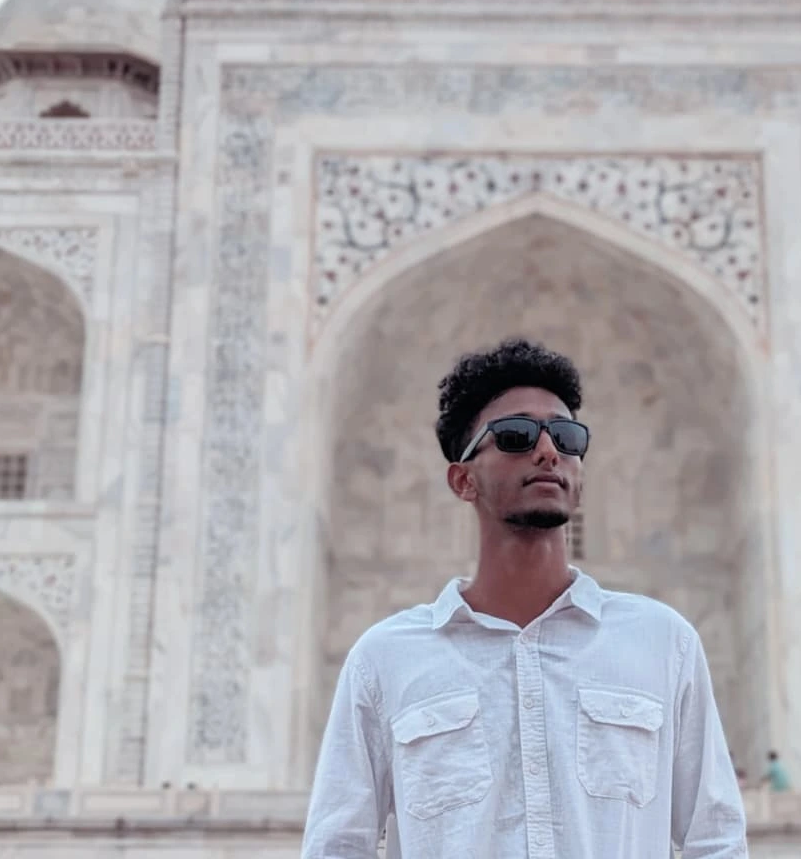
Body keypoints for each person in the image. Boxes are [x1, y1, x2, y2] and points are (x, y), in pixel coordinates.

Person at [302, 338, 748, 858]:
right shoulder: (388, 660)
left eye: (565, 435)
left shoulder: (660, 644)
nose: (547, 450)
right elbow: (337, 846)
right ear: (463, 479)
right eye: (515, 436)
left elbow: (714, 839)